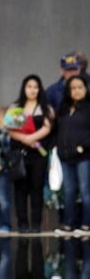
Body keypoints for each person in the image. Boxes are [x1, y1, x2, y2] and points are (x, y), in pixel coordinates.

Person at [8, 74, 55, 233]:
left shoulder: (45, 107)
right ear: (24, 88)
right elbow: (10, 129)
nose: (33, 90)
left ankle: (36, 224)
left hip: (38, 154)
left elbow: (47, 127)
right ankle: (22, 224)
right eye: (29, 87)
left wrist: (32, 138)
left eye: (35, 87)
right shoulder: (16, 106)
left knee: (37, 188)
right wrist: (24, 139)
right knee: (20, 189)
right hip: (20, 154)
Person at [55, 74, 90, 236]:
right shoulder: (64, 108)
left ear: (86, 89)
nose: (76, 91)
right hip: (66, 156)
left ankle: (86, 224)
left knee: (85, 190)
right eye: (73, 88)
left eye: (80, 87)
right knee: (69, 191)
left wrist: (83, 146)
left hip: (84, 156)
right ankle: (68, 224)